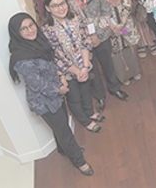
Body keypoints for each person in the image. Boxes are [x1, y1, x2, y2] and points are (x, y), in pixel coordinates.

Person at [8, 13, 94, 176]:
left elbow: (52, 63)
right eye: (23, 29)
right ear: (16, 33)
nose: (30, 30)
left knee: (61, 126)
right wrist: (60, 89)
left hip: (57, 92)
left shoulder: (39, 43)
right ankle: (80, 162)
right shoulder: (21, 58)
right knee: (64, 130)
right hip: (45, 102)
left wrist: (61, 76)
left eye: (31, 25)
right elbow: (37, 84)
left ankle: (64, 149)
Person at [60, 0, 129, 109]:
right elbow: (65, 20)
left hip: (101, 34)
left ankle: (114, 89)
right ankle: (99, 96)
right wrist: (86, 38)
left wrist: (98, 34)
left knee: (107, 64)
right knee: (91, 69)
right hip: (82, 42)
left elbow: (106, 10)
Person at [41, 0, 104, 133]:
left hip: (84, 64)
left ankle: (90, 112)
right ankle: (85, 121)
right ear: (47, 8)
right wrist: (77, 71)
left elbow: (85, 41)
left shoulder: (76, 19)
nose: (60, 8)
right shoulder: (47, 31)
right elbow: (57, 56)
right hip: (68, 71)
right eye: (55, 6)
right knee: (74, 97)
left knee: (86, 91)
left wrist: (85, 67)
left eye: (62, 3)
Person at [95, 0, 141, 84]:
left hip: (125, 24)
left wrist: (122, 23)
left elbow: (127, 2)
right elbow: (97, 11)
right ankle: (123, 75)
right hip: (110, 28)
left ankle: (135, 71)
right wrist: (113, 26)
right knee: (116, 50)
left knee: (130, 46)